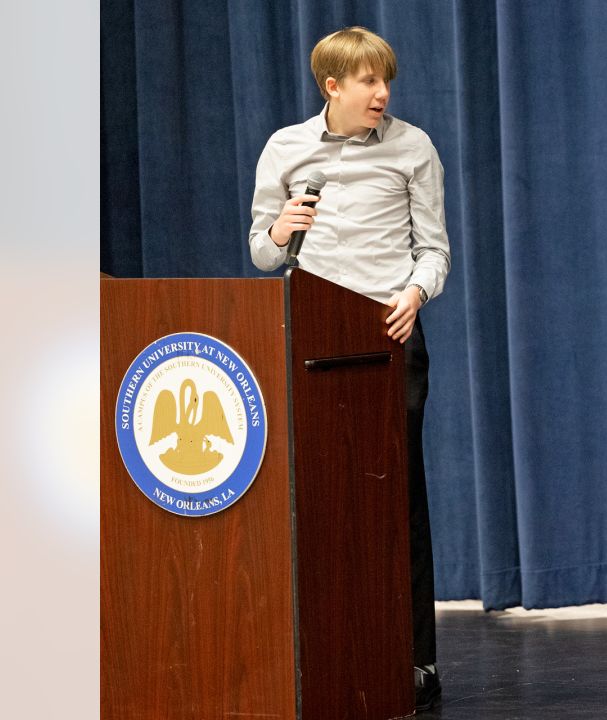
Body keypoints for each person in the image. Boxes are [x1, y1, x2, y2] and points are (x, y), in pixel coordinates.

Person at [247, 26, 449, 712]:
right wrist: (278, 231)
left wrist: (415, 291)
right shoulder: (286, 150)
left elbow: (436, 250)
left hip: (388, 335)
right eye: (368, 82)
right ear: (332, 87)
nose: (382, 94)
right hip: (310, 341)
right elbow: (262, 254)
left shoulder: (412, 147)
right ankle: (324, 651)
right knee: (321, 501)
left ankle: (414, 658)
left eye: (386, 80)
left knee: (396, 503)